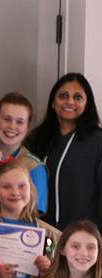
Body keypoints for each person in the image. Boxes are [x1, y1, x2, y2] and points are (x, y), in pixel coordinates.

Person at [26, 73, 102, 230]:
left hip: (83, 237)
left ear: (87, 104)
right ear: (53, 102)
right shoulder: (37, 138)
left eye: (78, 97)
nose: (70, 101)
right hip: (41, 233)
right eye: (63, 96)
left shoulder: (97, 141)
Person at [0, 93, 49, 215]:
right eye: (7, 119)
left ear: (28, 127)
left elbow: (35, 216)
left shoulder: (34, 167)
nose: (12, 126)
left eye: (20, 122)